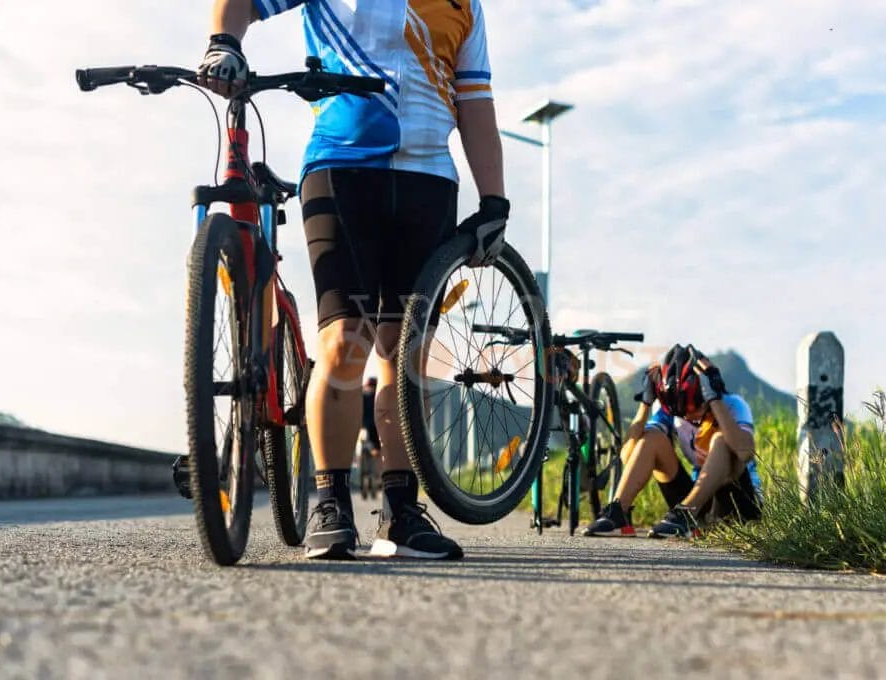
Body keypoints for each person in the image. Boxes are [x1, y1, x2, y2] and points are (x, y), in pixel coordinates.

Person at [198, 0, 509, 560]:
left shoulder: (465, 4)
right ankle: (330, 501)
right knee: (345, 341)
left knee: (405, 353)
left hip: (429, 182)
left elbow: (475, 100)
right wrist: (225, 41)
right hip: (342, 170)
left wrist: (494, 200)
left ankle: (402, 510)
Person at [583, 344, 763, 538]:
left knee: (721, 439)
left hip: (739, 504)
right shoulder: (673, 413)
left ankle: (686, 516)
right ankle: (617, 514)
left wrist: (715, 400)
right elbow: (627, 456)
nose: (689, 417)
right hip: (700, 501)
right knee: (652, 438)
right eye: (683, 413)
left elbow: (745, 453)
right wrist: (645, 404)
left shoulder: (732, 404)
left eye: (695, 411)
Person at [357, 377, 381, 500]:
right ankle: (377, 477)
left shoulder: (363, 397)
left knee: (363, 454)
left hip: (364, 429)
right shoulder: (376, 398)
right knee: (376, 454)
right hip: (372, 429)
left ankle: (373, 476)